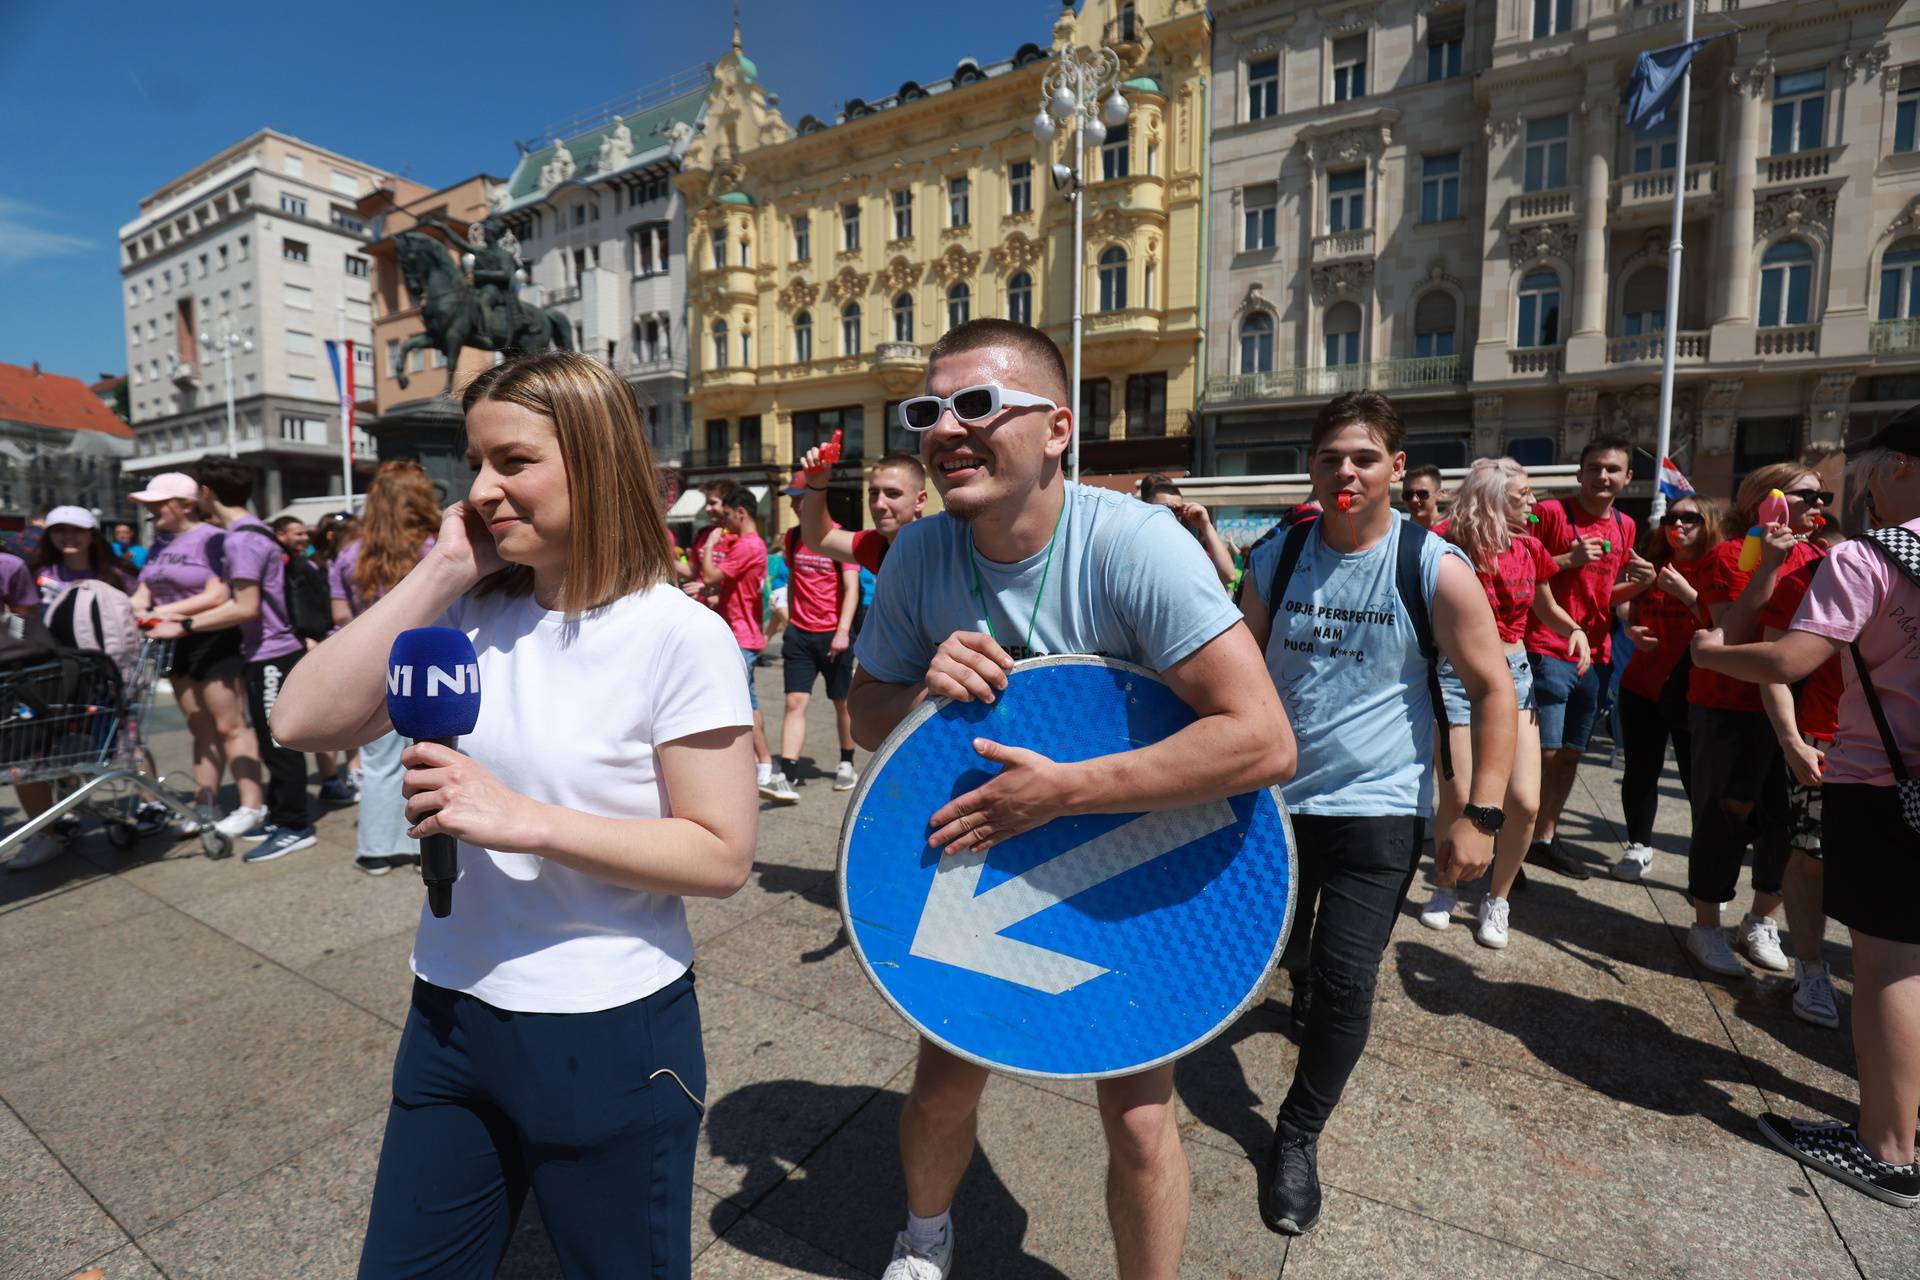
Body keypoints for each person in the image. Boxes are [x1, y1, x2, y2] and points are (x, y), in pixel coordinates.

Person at [271, 350, 757, 1273]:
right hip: (449, 1014)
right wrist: (440, 570)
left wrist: (519, 817)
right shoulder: (467, 616)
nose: (483, 489)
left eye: (513, 462)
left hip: (607, 1029)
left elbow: (721, 854)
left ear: (596, 457)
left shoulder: (674, 634)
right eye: (476, 464)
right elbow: (300, 720)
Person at [851, 319, 1294, 1278]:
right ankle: (923, 1241)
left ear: (1057, 429)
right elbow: (862, 716)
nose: (947, 429)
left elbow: (1262, 738)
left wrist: (1062, 794)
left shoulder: (1136, 548)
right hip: (982, 853)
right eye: (929, 411)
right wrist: (921, 687)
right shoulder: (921, 555)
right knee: (939, 1082)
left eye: (979, 405)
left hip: (1129, 851)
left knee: (1138, 1121)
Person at [1239, 392, 1513, 1235]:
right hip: (1272, 807)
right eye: (1330, 458)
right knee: (1273, 958)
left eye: (1363, 458)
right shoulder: (1275, 558)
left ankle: (1296, 1136)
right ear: (1312, 470)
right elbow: (1235, 675)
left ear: (1396, 468)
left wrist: (1482, 815)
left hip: (1378, 810)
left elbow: (1493, 688)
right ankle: (1299, 978)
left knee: (1350, 980)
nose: (1345, 472)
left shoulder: (1434, 566)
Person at [1690, 422, 1920, 1210]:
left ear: (1894, 469)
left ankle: (1887, 1149)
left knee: (1889, 965)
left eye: (1853, 479)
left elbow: (1790, 658)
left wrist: (1713, 654)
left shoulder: (1872, 557)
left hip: (1885, 782)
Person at [1414, 458, 1590, 947]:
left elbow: (1546, 606)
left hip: (1515, 674)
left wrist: (1573, 630)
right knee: (1460, 793)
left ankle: (1498, 899)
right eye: (1522, 495)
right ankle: (1446, 886)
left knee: (1525, 802)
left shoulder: (1531, 547)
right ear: (1492, 497)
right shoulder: (1446, 540)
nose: (1533, 503)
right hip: (1454, 675)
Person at [1680, 462, 1830, 977]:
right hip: (1730, 705)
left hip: (1798, 707)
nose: (1818, 505)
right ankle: (1706, 925)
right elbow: (1731, 636)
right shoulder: (1733, 552)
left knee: (1783, 824)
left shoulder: (1821, 554)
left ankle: (1761, 920)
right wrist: (1767, 565)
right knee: (1726, 814)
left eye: (1822, 496)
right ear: (1766, 501)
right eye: (1805, 495)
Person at [147, 459, 314, 861]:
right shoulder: (246, 531)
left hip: (273, 650)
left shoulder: (240, 538)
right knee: (270, 737)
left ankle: (295, 825)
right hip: (263, 651)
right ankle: (280, 815)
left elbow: (246, 607)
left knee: (279, 741)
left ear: (206, 492)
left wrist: (183, 624)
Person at [1525, 438, 1654, 879]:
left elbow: (1604, 595)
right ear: (1579, 473)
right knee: (1540, 753)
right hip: (1546, 646)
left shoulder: (1625, 526)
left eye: (1613, 469)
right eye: (1595, 468)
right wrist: (1567, 558)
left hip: (1595, 655)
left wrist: (1642, 583)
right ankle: (1512, 842)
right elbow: (1524, 573)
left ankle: (1543, 838)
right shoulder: (1551, 514)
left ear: (1627, 478)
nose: (1603, 476)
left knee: (1570, 755)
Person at [127, 473, 265, 841]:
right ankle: (206, 804)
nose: (150, 511)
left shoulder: (214, 538)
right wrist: (136, 610)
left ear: (185, 503)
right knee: (199, 726)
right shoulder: (159, 543)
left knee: (229, 725)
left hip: (214, 638)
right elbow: (143, 591)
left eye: (158, 504)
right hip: (175, 642)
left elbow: (219, 593)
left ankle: (252, 803)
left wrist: (167, 614)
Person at [329, 463, 440, 876]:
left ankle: (376, 848)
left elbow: (341, 616)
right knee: (428, 758)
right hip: (426, 664)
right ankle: (421, 847)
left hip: (371, 667)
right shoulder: (432, 547)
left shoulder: (349, 554)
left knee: (378, 762)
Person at [1611, 492, 1728, 881]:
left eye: (1689, 518)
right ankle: (1639, 846)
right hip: (1642, 685)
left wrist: (1687, 594)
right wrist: (1632, 629)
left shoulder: (1720, 566)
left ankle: (1706, 862)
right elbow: (1629, 609)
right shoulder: (1655, 565)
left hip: (1695, 690)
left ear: (1708, 522)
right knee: (1641, 769)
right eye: (1671, 520)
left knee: (1698, 779)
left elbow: (1727, 623)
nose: (1677, 526)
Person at [774, 472, 860, 793]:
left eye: (800, 497)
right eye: (793, 498)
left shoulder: (839, 538)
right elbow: (795, 581)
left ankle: (847, 762)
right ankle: (788, 772)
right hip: (800, 633)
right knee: (795, 701)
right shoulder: (793, 537)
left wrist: (842, 632)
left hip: (833, 636)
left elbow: (851, 589)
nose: (795, 504)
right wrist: (791, 620)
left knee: (842, 703)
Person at [700, 488, 786, 802]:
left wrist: (709, 546)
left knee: (740, 704)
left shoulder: (749, 545)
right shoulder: (751, 545)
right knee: (749, 702)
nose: (725, 521)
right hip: (742, 634)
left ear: (741, 512)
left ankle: (763, 765)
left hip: (739, 636)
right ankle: (761, 764)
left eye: (728, 514)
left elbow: (711, 574)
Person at [796, 450, 929, 576]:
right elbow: (819, 540)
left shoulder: (939, 544)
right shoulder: (876, 545)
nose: (879, 504)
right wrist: (816, 485)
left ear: (920, 501)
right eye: (874, 493)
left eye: (893, 494)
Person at [1138, 474, 1237, 587]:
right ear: (1146, 507)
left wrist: (1205, 525)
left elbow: (1228, 576)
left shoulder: (1185, 546)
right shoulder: (1136, 544)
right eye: (1165, 508)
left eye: (1178, 509)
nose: (1172, 514)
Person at [1400, 464, 1447, 530]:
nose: (1414, 500)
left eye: (1422, 494)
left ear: (1440, 494)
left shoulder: (1455, 532)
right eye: (1408, 494)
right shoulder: (1398, 533)